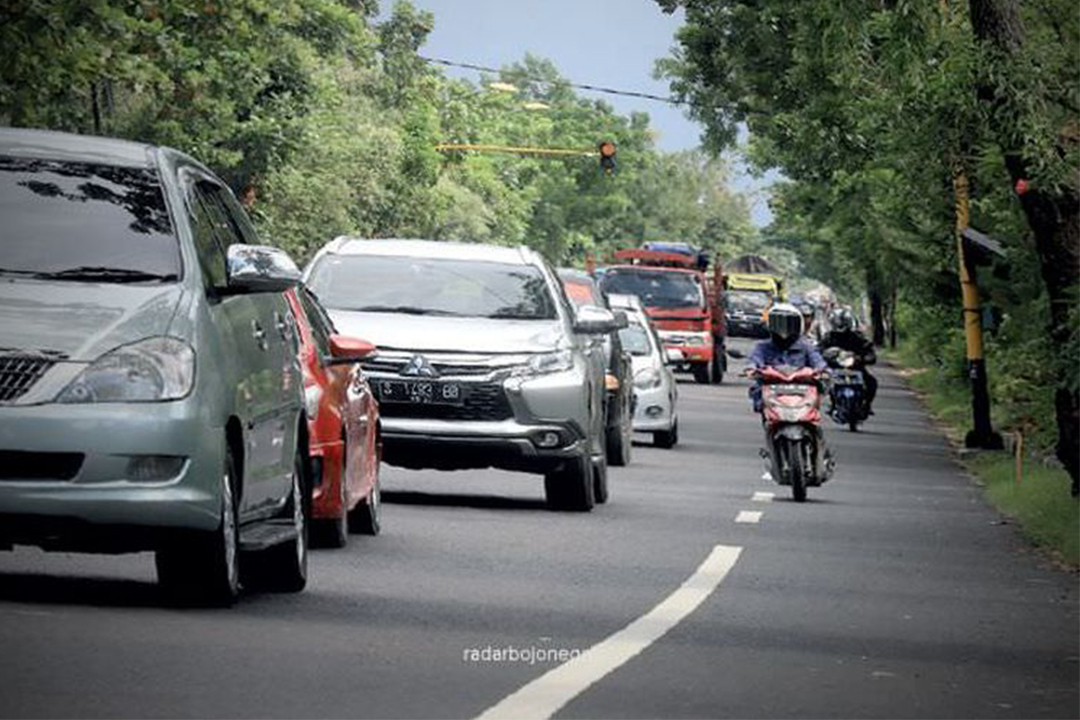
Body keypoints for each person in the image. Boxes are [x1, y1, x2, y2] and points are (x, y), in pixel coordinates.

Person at [748, 303, 826, 413]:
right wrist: (751, 369)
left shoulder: (806, 346)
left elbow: (817, 360)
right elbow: (755, 359)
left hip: (801, 390)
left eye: (789, 324)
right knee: (756, 388)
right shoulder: (763, 346)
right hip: (773, 390)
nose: (783, 330)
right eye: (778, 324)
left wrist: (822, 370)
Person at [820, 307, 878, 411]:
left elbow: (869, 351)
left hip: (856, 368)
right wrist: (825, 357)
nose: (840, 326)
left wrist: (864, 358)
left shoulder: (857, 337)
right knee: (820, 381)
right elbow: (818, 351)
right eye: (838, 323)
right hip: (834, 368)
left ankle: (867, 405)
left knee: (872, 382)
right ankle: (831, 403)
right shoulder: (828, 338)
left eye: (843, 323)